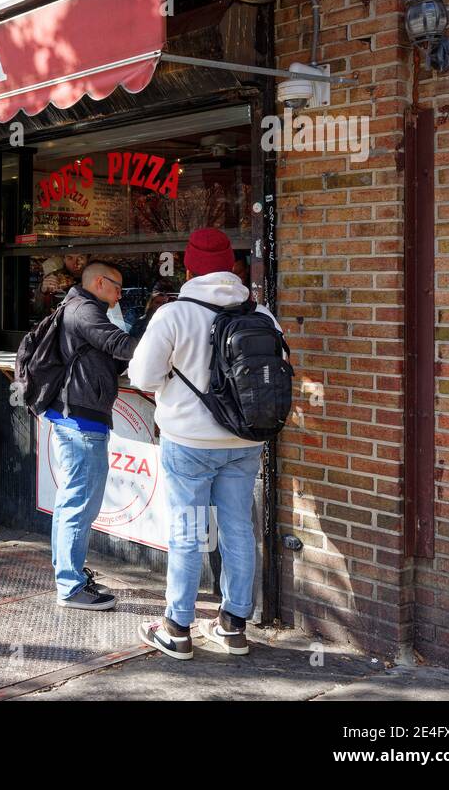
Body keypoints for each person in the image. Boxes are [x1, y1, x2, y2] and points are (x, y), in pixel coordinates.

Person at [129, 228, 283, 660]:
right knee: (238, 528)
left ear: (190, 266)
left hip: (189, 442)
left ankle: (177, 627)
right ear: (231, 267)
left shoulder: (174, 314)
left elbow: (142, 377)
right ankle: (233, 626)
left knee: (188, 532)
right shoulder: (262, 315)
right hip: (244, 439)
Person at [45, 260, 139, 611]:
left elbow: (103, 354)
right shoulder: (85, 310)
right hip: (81, 422)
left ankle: (66, 574)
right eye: (117, 288)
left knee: (71, 501)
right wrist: (162, 349)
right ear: (100, 282)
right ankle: (70, 586)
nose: (119, 297)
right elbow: (116, 342)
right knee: (79, 503)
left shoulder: (77, 307)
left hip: (74, 417)